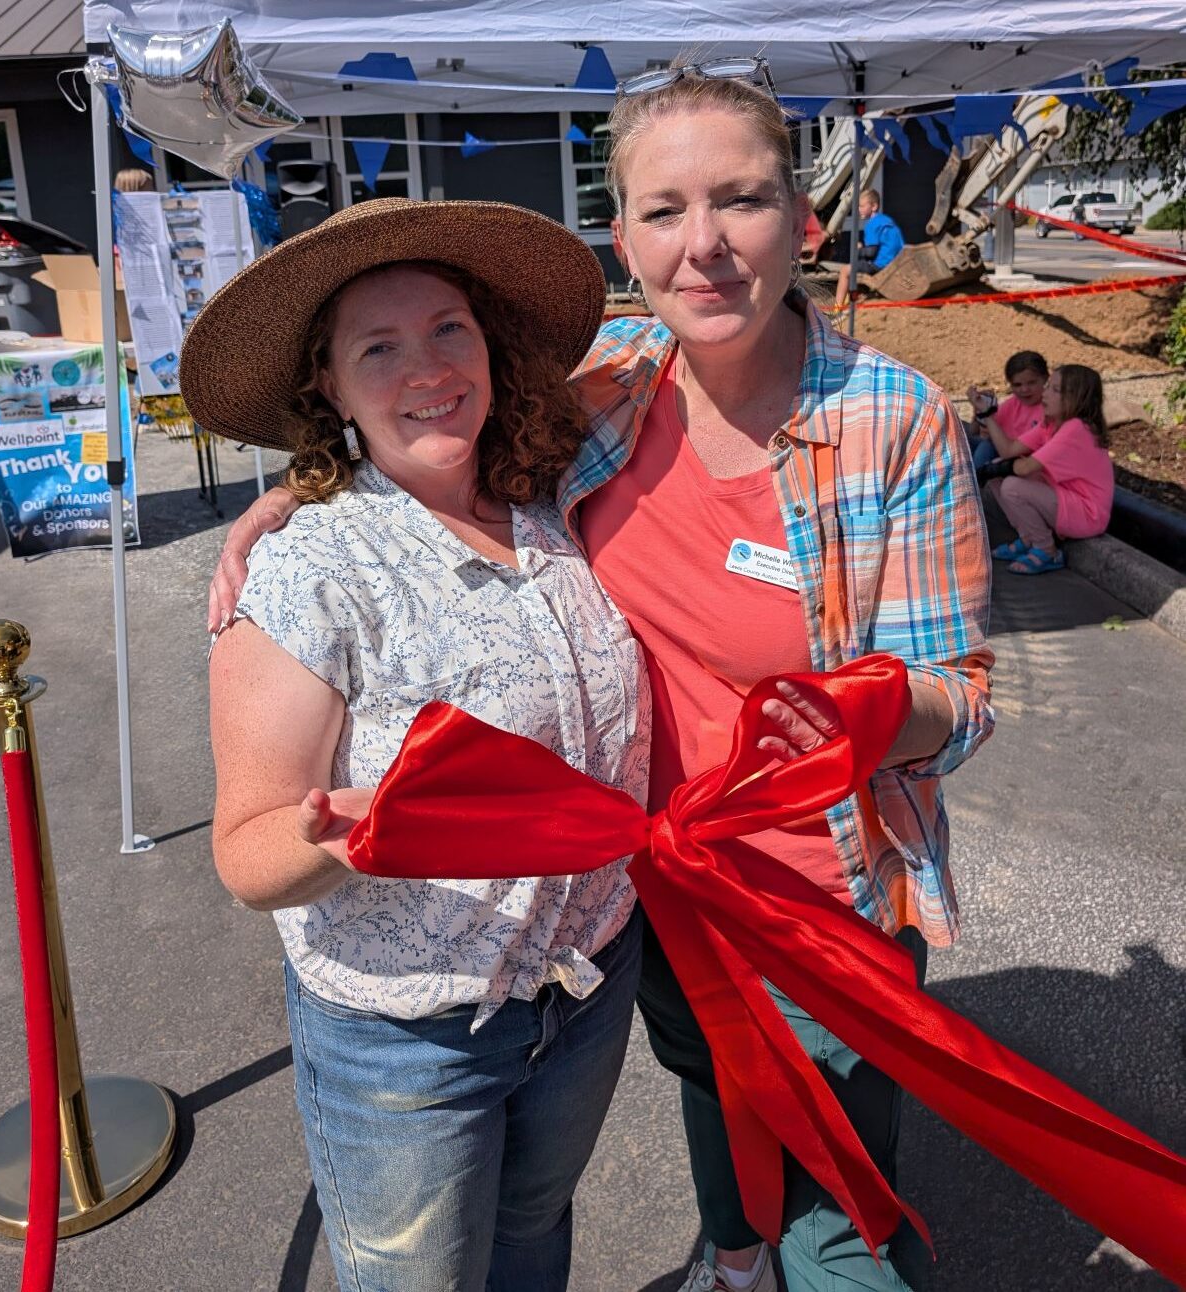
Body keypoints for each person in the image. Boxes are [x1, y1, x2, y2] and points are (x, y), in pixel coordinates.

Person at [208, 58, 994, 1292]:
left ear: (802, 216)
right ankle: (731, 1258)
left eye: (738, 200)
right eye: (665, 211)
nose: (706, 247)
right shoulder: (609, 389)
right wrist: (295, 498)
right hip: (646, 898)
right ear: (621, 235)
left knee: (836, 1213)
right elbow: (418, 418)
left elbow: (964, 696)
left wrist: (876, 709)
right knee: (701, 1088)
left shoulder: (895, 421)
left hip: (813, 893)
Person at [184, 198, 654, 1292]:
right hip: (409, 1037)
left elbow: (684, 333)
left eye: (448, 328)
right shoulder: (310, 573)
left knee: (534, 1235)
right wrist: (348, 838)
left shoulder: (552, 490)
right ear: (330, 392)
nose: (425, 368)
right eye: (376, 348)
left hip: (583, 981)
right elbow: (248, 853)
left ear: (489, 345)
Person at [979, 363, 1114, 574]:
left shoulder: (1076, 428)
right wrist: (987, 415)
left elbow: (1023, 468)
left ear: (1075, 398)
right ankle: (1028, 538)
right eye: (1049, 386)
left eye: (1055, 390)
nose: (1045, 393)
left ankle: (1046, 550)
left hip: (1088, 514)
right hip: (1065, 497)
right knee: (998, 472)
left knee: (1012, 485)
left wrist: (988, 471)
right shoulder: (1051, 423)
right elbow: (1008, 450)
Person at [966, 350, 1051, 470]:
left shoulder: (1050, 409)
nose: (1025, 389)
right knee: (955, 439)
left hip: (1022, 460)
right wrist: (979, 408)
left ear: (1046, 379)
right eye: (1017, 385)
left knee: (986, 447)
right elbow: (976, 431)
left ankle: (974, 482)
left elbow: (1009, 450)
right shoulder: (1013, 403)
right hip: (1001, 451)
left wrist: (987, 414)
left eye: (1031, 383)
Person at [833, 187, 905, 308]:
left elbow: (871, 253)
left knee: (845, 270)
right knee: (857, 266)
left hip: (881, 264)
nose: (858, 209)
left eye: (862, 206)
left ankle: (837, 307)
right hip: (896, 261)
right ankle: (852, 297)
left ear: (874, 206)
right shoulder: (886, 220)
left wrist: (859, 249)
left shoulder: (872, 224)